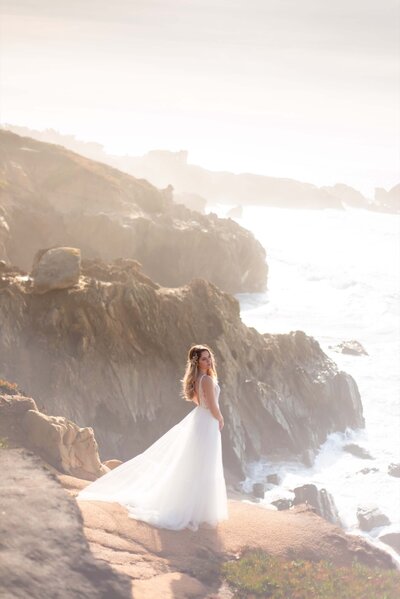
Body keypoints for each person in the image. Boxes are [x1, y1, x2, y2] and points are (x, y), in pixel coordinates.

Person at [77, 344, 228, 531]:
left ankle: (195, 508)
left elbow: (198, 402)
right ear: (197, 362)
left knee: (198, 464)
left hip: (201, 420)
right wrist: (220, 418)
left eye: (209, 357)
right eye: (204, 358)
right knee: (204, 464)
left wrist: (211, 414)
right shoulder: (205, 379)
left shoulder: (197, 379)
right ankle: (196, 510)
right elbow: (212, 405)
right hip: (207, 422)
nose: (209, 361)